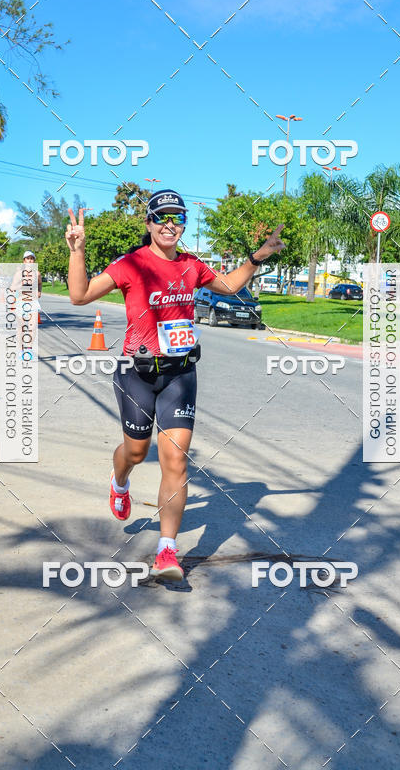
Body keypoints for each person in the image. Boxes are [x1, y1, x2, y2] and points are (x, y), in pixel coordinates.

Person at [65, 189, 285, 581]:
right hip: (136, 372)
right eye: (162, 217)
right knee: (135, 451)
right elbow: (79, 296)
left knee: (176, 460)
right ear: (149, 223)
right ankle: (119, 482)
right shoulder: (131, 264)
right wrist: (77, 250)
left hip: (180, 373)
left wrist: (257, 258)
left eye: (178, 218)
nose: (171, 224)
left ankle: (167, 551)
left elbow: (230, 286)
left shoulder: (192, 264)